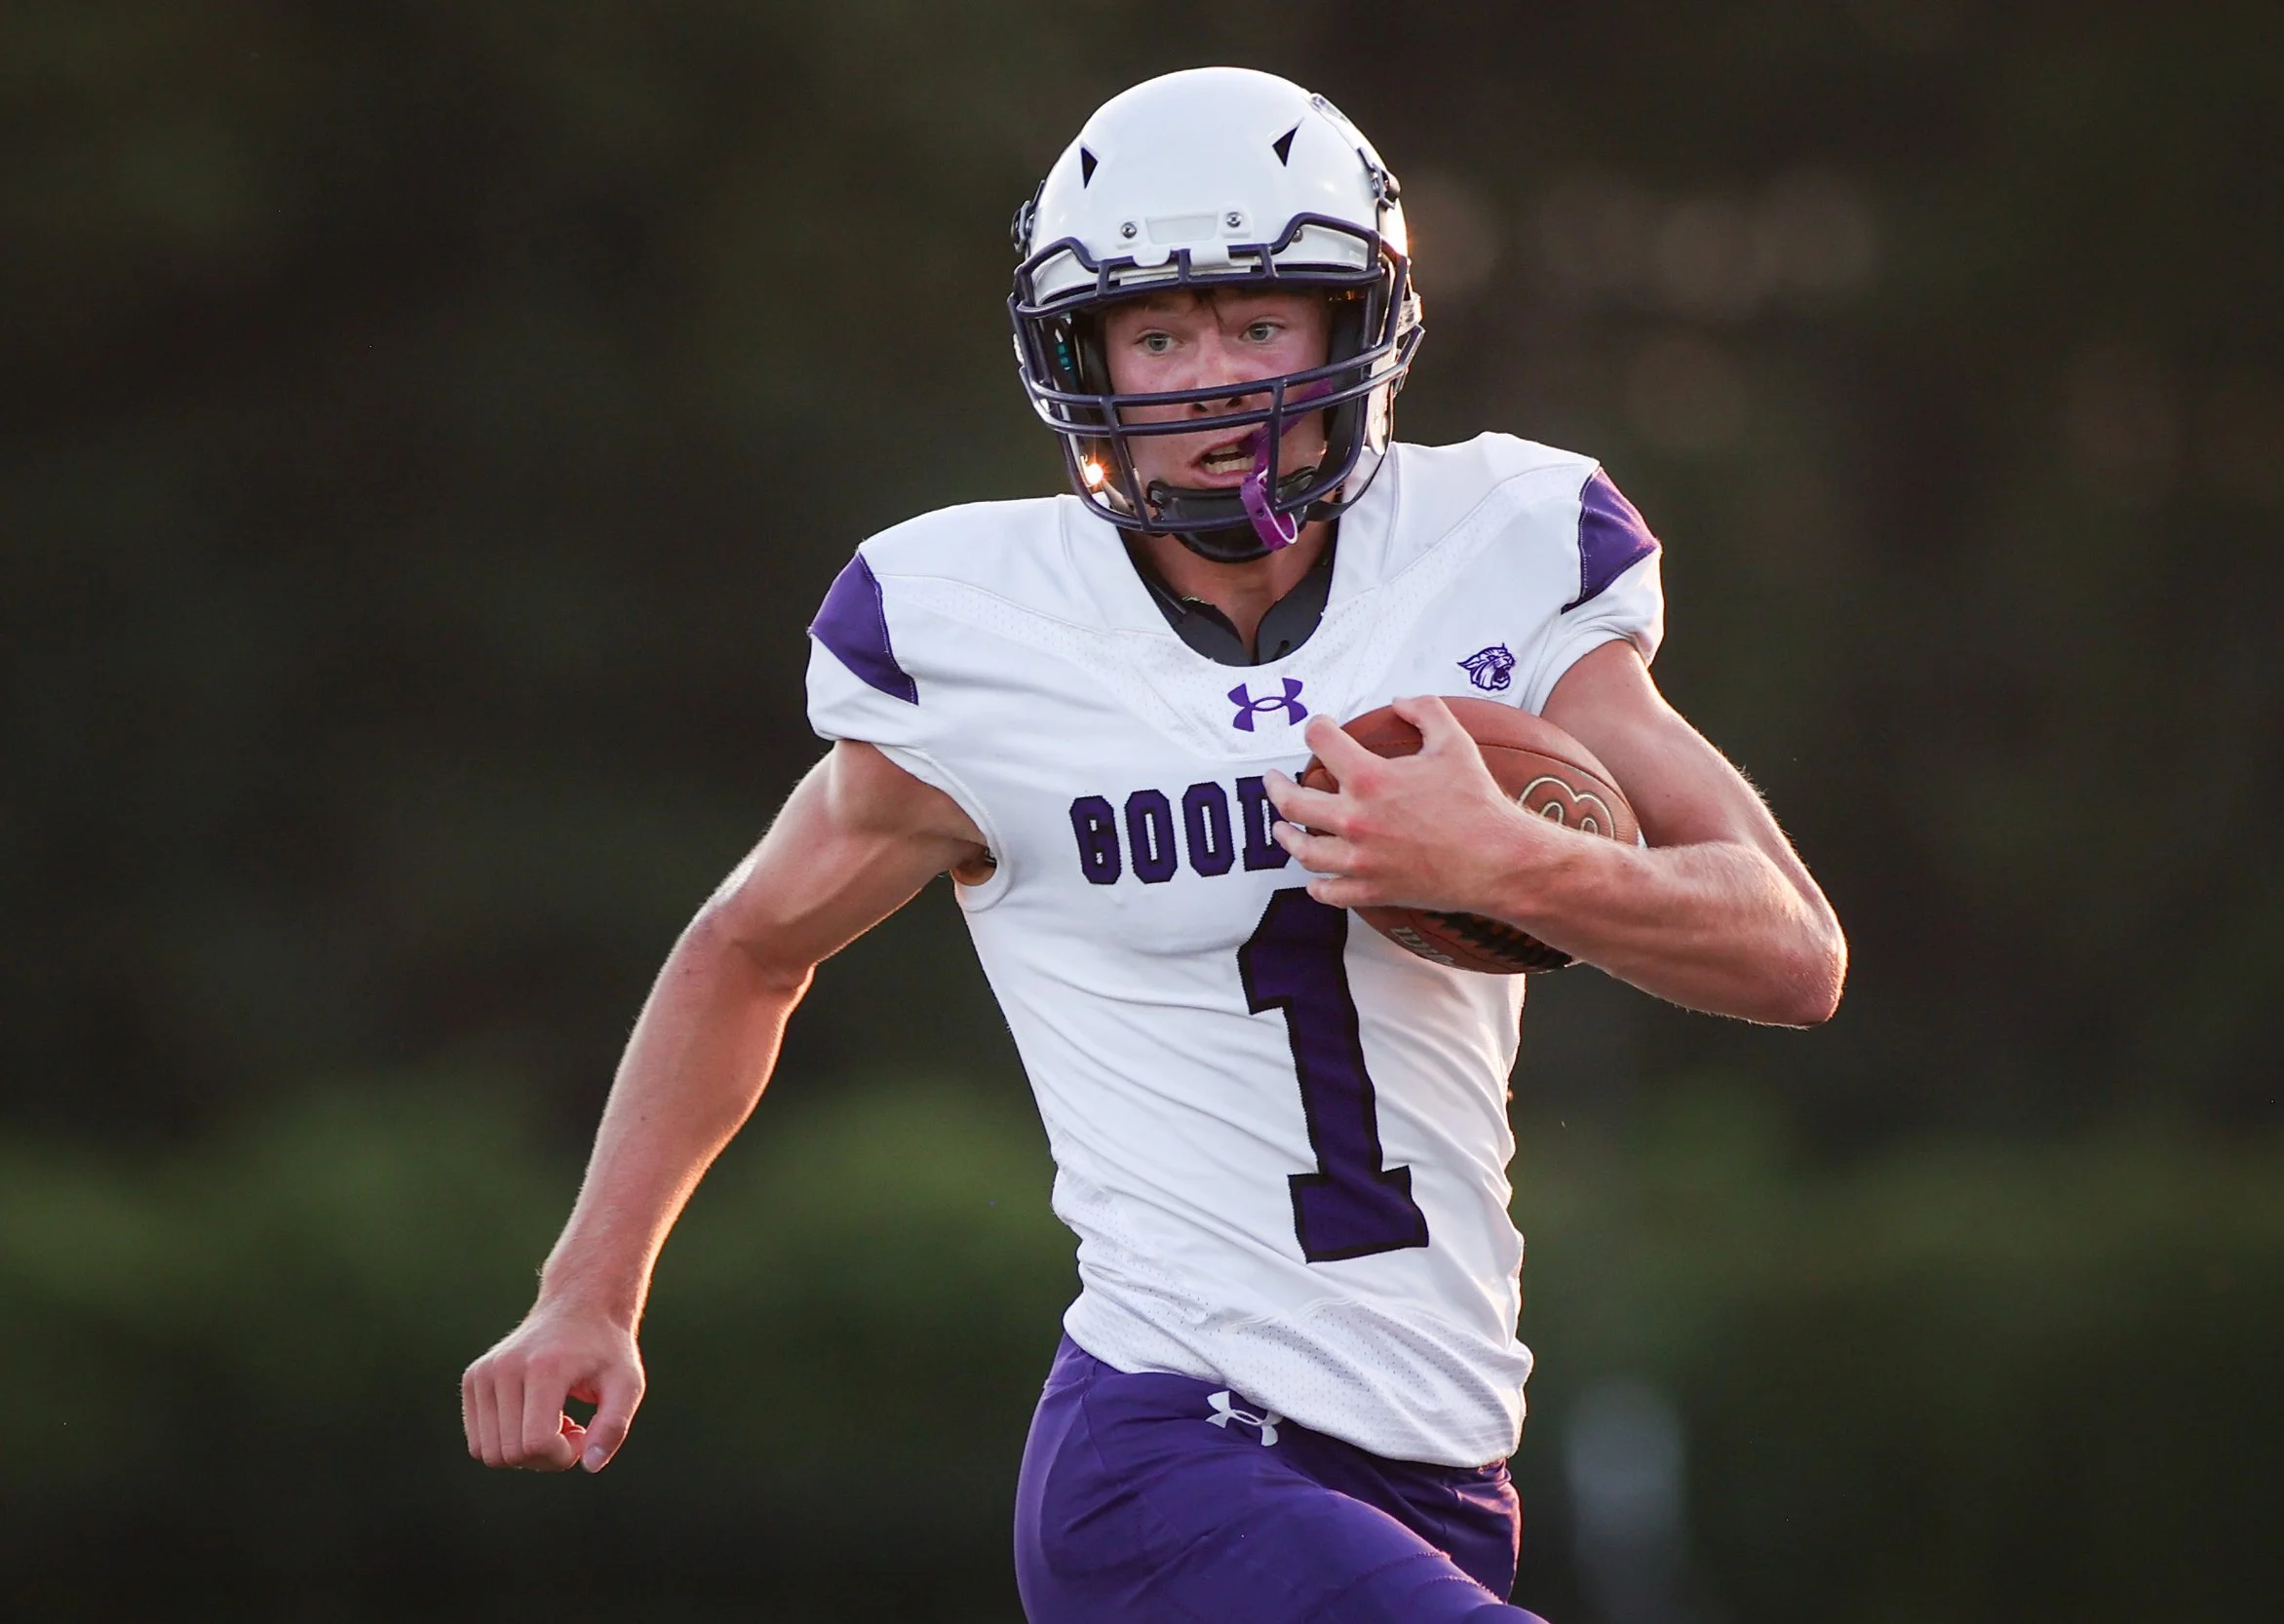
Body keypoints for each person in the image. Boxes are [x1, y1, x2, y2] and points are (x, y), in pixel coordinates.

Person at [461, 66, 1844, 1623]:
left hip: (1442, 1465)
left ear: (1350, 331)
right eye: (1159, 333)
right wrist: (590, 1286)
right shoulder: (976, 635)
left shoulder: (1500, 553)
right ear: (1084, 353)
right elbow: (749, 943)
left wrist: (1511, 862)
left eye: (1257, 323)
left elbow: (1792, 951)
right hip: (1168, 1453)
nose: (1207, 381)